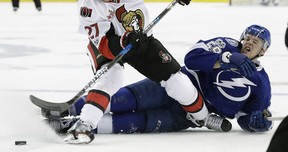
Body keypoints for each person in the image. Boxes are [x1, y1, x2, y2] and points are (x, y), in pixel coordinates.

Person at [58, 0, 232, 144]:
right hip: (108, 43)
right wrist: (124, 41)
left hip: (141, 39)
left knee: (178, 82)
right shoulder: (87, 5)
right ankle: (85, 124)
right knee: (111, 77)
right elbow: (105, 45)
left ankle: (202, 117)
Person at [44, 25, 273, 137]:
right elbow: (192, 59)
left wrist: (256, 123)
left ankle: (70, 126)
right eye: (248, 38)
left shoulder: (261, 83)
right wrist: (225, 58)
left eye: (257, 42)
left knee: (130, 124)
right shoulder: (225, 45)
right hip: (176, 86)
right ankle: (66, 109)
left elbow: (245, 118)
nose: (249, 43)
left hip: (189, 117)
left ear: (263, 52)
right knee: (123, 99)